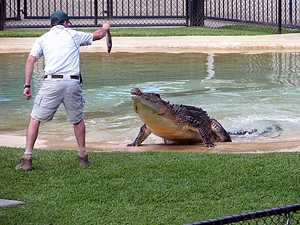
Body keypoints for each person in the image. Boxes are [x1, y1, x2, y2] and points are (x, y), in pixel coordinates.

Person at [15, 11, 110, 171]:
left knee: (35, 119)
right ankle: (83, 158)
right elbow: (98, 35)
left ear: (51, 24)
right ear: (66, 23)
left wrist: (27, 85)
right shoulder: (74, 35)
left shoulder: (43, 39)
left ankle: (27, 159)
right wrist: (105, 27)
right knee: (77, 119)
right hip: (73, 82)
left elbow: (31, 60)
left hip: (52, 82)